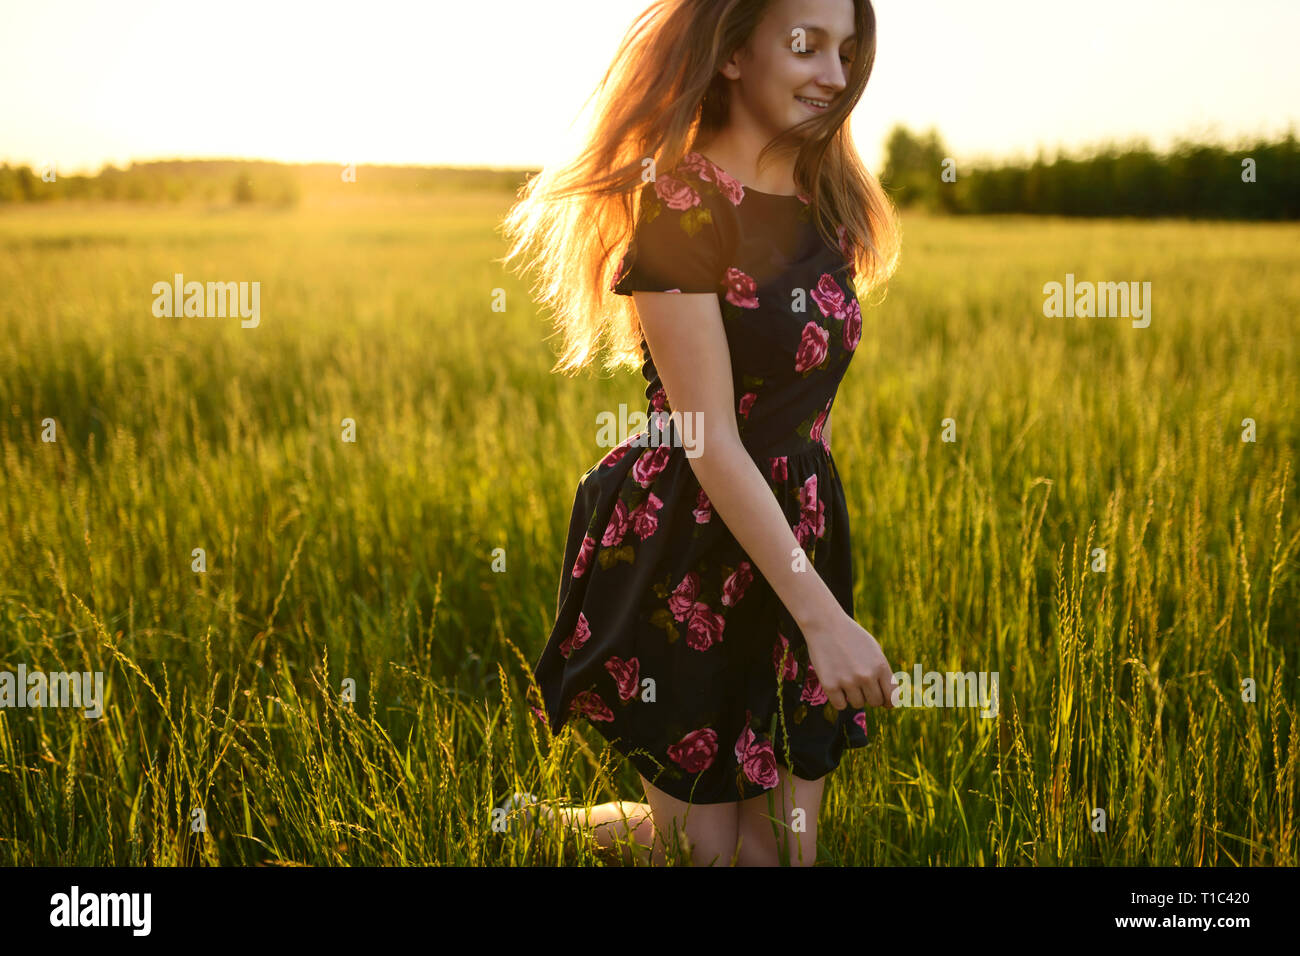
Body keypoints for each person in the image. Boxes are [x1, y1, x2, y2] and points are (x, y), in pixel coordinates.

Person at [499, 0, 902, 866]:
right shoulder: (680, 207)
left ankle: (544, 823)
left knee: (784, 853)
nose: (833, 75)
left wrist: (810, 595)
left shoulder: (827, 200)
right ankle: (546, 831)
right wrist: (823, 621)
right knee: (711, 855)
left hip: (795, 522)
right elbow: (709, 437)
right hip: (686, 541)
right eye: (806, 45)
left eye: (846, 51)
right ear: (731, 54)